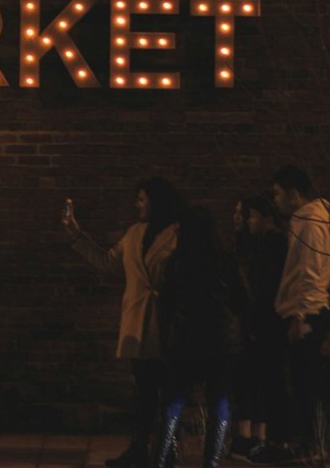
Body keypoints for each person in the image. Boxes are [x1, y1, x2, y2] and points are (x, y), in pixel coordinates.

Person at [64, 176, 185, 468]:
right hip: (138, 325)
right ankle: (140, 448)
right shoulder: (133, 234)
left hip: (167, 323)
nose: (137, 204)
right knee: (144, 391)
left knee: (168, 391)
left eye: (142, 199)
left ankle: (168, 450)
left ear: (156, 201)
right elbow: (106, 261)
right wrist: (74, 234)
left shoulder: (180, 233)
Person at [155, 208, 244, 468]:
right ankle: (211, 462)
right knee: (219, 400)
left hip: (186, 341)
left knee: (174, 401)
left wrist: (164, 343)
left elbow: (166, 307)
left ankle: (160, 460)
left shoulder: (177, 262)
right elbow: (241, 300)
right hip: (219, 342)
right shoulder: (226, 261)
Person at [269, 165, 330, 464]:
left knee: (306, 384)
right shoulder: (304, 221)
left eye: (278, 194)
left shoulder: (309, 223)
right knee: (303, 382)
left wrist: (301, 315)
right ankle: (309, 445)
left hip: (307, 312)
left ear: (294, 194)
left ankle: (313, 447)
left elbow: (312, 273)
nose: (275, 200)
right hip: (305, 310)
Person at [231, 195, 287, 463]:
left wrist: (255, 320)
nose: (242, 219)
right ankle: (252, 439)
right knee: (253, 379)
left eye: (248, 214)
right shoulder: (254, 244)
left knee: (260, 379)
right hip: (256, 321)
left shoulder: (271, 245)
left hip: (263, 322)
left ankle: (257, 439)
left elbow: (264, 287)